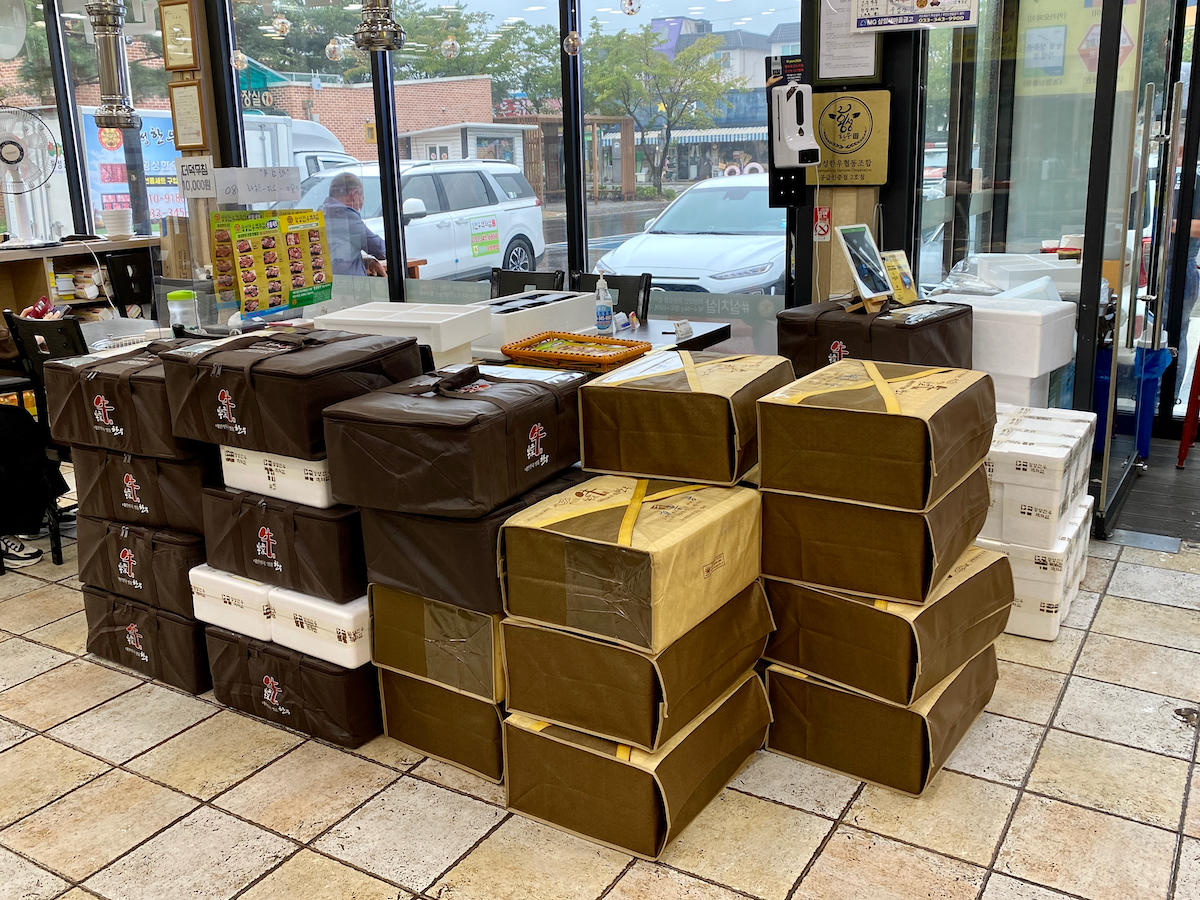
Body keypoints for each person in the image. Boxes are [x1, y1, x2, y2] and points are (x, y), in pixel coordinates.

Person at [321, 171, 387, 278]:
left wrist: (366, 262)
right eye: (362, 199)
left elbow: (337, 260)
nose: (361, 205)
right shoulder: (345, 215)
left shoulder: (322, 211)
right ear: (354, 195)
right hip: (349, 287)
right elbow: (381, 249)